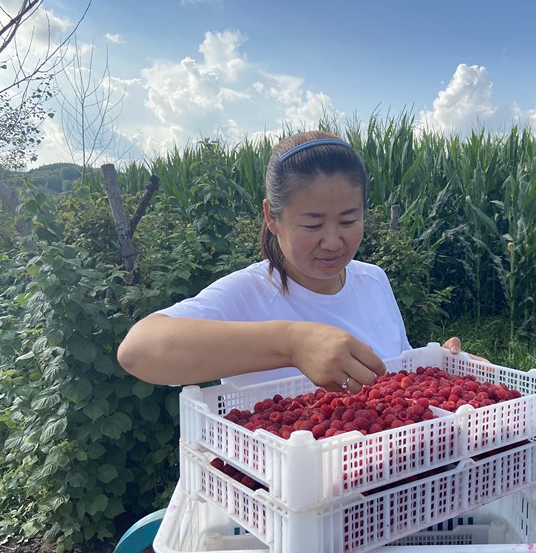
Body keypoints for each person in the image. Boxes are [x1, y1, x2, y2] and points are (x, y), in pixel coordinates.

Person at [117, 130, 470, 393]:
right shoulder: (250, 293)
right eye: (312, 224)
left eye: (348, 221)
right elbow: (139, 350)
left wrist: (446, 370)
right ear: (272, 217)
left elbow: (396, 372)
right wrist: (292, 342)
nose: (333, 241)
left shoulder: (373, 280)